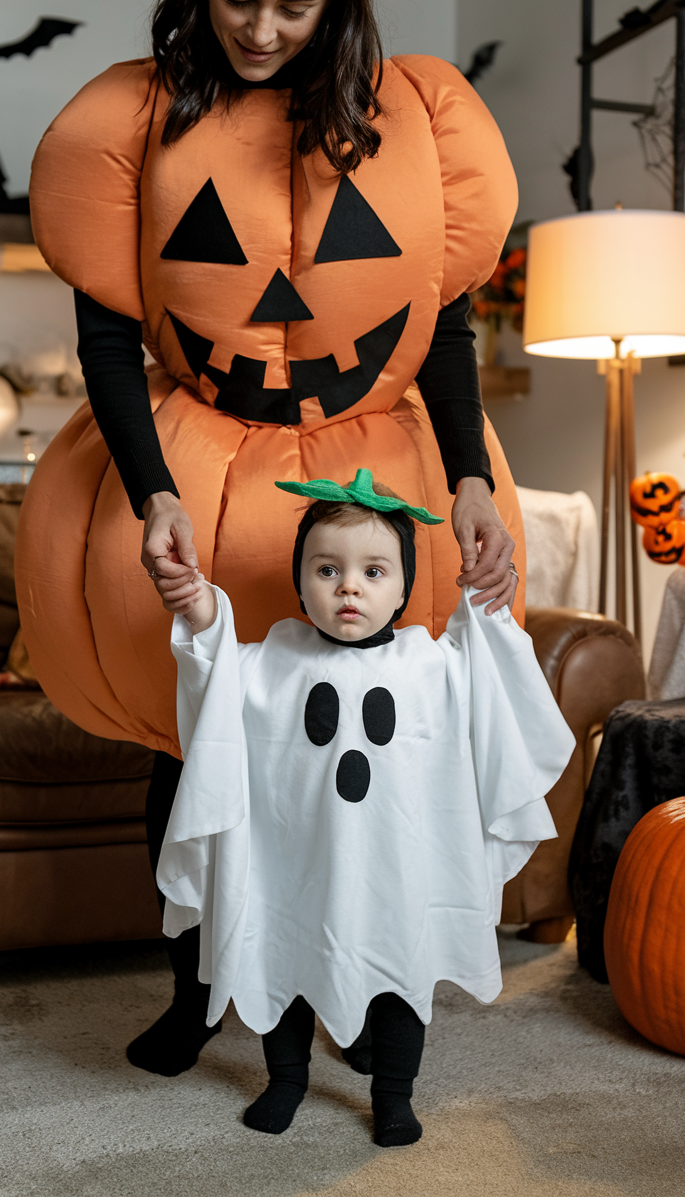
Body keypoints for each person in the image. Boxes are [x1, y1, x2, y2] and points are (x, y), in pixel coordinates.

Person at [16, 0, 523, 1078]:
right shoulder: (138, 120)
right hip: (197, 447)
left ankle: (351, 988)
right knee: (194, 740)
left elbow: (436, 329)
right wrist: (152, 492)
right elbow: (107, 345)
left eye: (294, 5)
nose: (259, 28)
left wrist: (466, 479)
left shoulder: (407, 119)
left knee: (367, 750)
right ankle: (195, 991)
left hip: (368, 466)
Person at [153, 471, 573, 1146]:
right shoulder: (268, 663)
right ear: (300, 584)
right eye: (327, 569)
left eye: (373, 571)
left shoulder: (433, 665)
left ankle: (394, 1095)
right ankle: (286, 1079)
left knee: (400, 977)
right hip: (294, 867)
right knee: (280, 964)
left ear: (404, 587)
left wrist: (487, 604)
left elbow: (491, 679)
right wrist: (200, 609)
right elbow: (214, 677)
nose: (349, 586)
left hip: (394, 872)